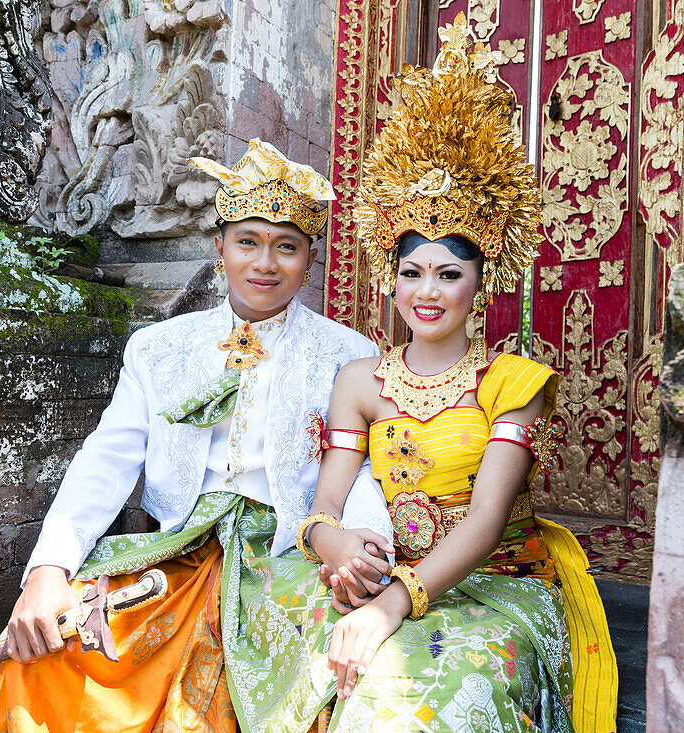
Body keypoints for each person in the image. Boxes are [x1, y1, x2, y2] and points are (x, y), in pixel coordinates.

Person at [223, 14, 619, 733]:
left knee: (399, 701)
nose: (426, 291)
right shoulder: (359, 380)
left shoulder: (513, 383)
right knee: (256, 627)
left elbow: (488, 521)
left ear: (481, 281)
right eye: (410, 272)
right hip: (376, 577)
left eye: (448, 272)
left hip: (490, 585)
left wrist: (391, 605)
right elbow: (327, 502)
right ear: (389, 279)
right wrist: (331, 543)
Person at [0, 139, 394, 732]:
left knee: (322, 678)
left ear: (311, 260)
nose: (265, 263)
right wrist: (48, 570)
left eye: (287, 247)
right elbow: (107, 459)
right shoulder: (159, 349)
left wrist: (359, 545)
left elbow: (359, 465)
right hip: (175, 548)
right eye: (248, 242)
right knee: (57, 651)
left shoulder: (350, 355)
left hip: (292, 549)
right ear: (220, 248)